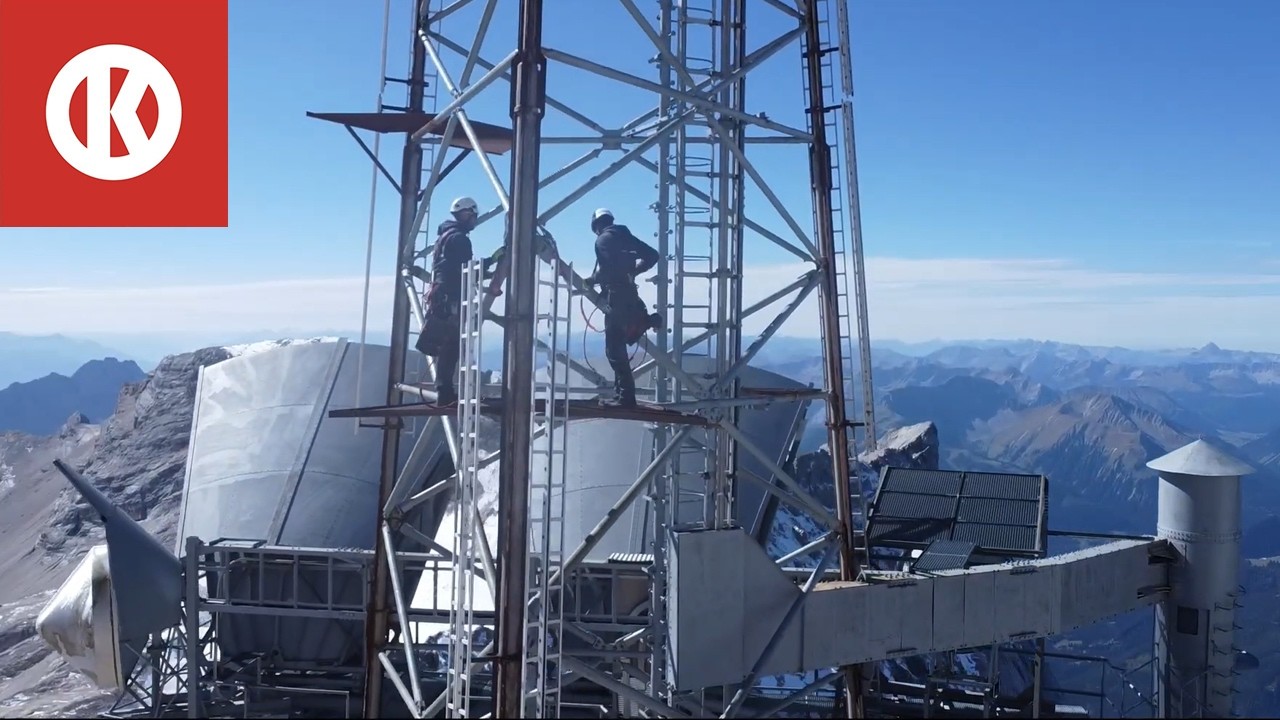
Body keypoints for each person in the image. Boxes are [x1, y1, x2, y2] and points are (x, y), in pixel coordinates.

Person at [415, 196, 494, 407]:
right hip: (451, 296)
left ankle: (445, 391)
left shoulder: (445, 236)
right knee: (451, 345)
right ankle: (445, 393)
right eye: (473, 216)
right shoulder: (459, 239)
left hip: (443, 296)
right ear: (466, 214)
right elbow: (467, 269)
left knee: (446, 345)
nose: (474, 221)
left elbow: (457, 267)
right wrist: (491, 262)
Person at [585, 208, 664, 407]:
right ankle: (646, 320)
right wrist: (634, 271)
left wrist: (591, 280)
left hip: (616, 298)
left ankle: (626, 398)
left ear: (596, 226)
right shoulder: (625, 236)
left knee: (614, 351)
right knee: (623, 341)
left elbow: (608, 271)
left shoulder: (602, 240)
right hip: (630, 295)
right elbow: (653, 255)